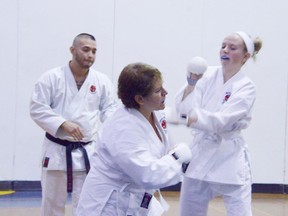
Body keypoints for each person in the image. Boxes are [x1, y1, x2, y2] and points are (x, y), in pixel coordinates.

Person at [76, 62, 192, 216]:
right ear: (140, 99)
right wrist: (177, 157)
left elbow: (177, 114)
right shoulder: (123, 130)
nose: (165, 92)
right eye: (158, 90)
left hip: (133, 200)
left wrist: (192, 85)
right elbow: (149, 175)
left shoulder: (153, 112)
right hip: (107, 206)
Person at [174, 31, 263, 216]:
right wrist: (190, 84)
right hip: (201, 153)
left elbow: (222, 121)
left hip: (228, 155)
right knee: (189, 211)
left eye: (232, 47)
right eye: (223, 45)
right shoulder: (206, 74)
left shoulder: (246, 86)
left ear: (245, 56)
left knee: (240, 212)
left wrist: (193, 118)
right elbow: (182, 108)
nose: (225, 50)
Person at [29, 33, 118, 216]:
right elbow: (37, 108)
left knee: (88, 206)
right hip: (56, 152)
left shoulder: (101, 81)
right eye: (86, 49)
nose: (90, 55)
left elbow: (110, 109)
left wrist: (115, 128)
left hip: (88, 153)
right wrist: (62, 123)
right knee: (51, 206)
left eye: (94, 51)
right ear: (72, 50)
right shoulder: (51, 78)